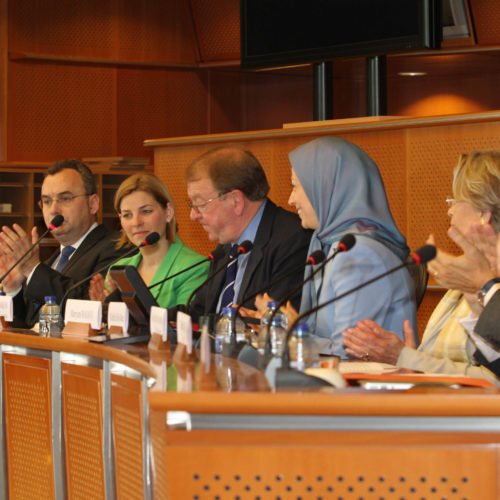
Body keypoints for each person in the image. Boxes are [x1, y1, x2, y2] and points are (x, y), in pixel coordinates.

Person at [342, 151, 500, 386]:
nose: (450, 210)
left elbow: (492, 379)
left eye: (455, 201)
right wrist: (411, 359)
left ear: (483, 214)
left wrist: (406, 358)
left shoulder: (482, 280)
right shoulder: (469, 276)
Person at [287, 136, 416, 357]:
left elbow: (346, 355)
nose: (290, 200)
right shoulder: (335, 244)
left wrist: (293, 337)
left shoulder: (358, 254)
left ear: (325, 187)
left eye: (296, 187)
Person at [185, 146, 311, 320]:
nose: (193, 215)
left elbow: (279, 325)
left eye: (200, 204)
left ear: (236, 201)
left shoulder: (293, 241)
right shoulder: (227, 245)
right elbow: (198, 314)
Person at [0, 159, 126, 327]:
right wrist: (13, 289)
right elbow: (30, 328)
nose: (53, 209)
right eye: (46, 201)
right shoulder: (51, 262)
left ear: (93, 204)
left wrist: (33, 268)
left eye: (65, 199)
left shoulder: (118, 248)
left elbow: (90, 307)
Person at [89, 173, 209, 309]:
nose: (136, 222)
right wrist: (102, 313)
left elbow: (184, 325)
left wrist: (129, 311)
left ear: (168, 212)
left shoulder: (195, 267)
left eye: (146, 211)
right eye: (127, 215)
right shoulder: (118, 270)